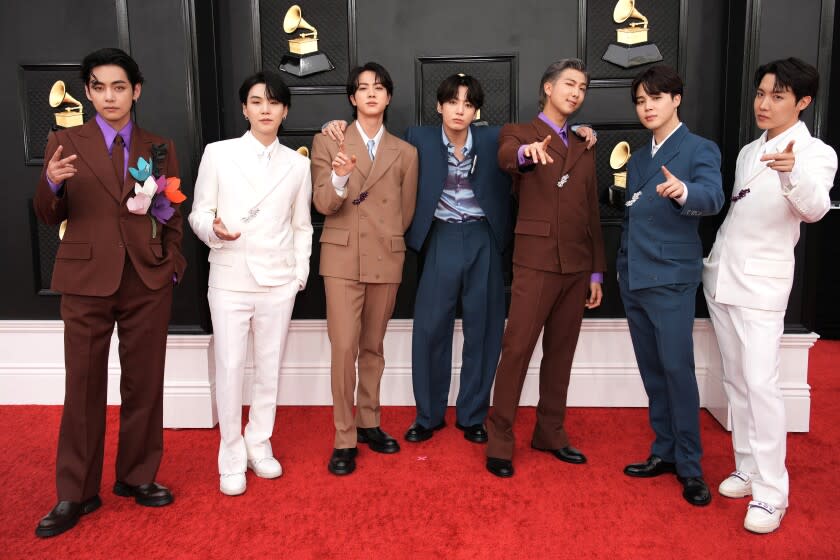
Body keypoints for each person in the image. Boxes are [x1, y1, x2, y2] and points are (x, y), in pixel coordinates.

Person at [321, 77, 596, 447]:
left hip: (484, 238)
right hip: (440, 238)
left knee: (483, 332)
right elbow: (373, 141)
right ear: (440, 107)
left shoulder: (493, 137)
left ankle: (472, 416)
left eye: (468, 104)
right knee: (431, 330)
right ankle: (428, 416)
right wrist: (332, 125)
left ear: (476, 111)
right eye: (452, 102)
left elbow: (533, 136)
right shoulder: (416, 138)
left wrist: (578, 130)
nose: (459, 110)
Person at [33, 47, 186, 537]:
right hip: (85, 282)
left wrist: (172, 265)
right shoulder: (64, 140)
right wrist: (52, 186)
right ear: (88, 91)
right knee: (82, 387)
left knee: (145, 382)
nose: (108, 96)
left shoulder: (158, 146)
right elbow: (46, 215)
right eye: (98, 87)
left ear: (135, 90)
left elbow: (171, 213)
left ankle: (138, 477)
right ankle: (75, 493)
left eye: (118, 86)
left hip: (146, 279)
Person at [703, 57, 837, 533]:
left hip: (762, 285)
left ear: (803, 102)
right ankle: (748, 467)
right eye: (761, 93)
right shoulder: (745, 151)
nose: (764, 103)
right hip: (722, 278)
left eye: (777, 96)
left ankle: (772, 493)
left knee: (762, 385)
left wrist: (791, 173)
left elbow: (816, 209)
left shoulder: (816, 153)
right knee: (736, 381)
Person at [188, 71, 312, 496]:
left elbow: (302, 225)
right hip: (230, 277)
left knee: (269, 368)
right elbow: (198, 212)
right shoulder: (218, 154)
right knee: (229, 367)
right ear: (244, 109)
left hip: (278, 281)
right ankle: (231, 455)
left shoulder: (298, 164)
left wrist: (299, 274)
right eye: (256, 101)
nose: (265, 109)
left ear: (284, 111)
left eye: (273, 102)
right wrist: (212, 230)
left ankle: (260, 443)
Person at [485, 58, 605, 478]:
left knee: (561, 353)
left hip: (576, 266)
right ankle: (499, 439)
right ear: (548, 88)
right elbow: (507, 157)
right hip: (534, 262)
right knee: (516, 349)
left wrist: (595, 273)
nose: (576, 92)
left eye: (583, 88)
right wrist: (525, 154)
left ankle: (550, 432)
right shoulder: (519, 133)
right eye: (569, 84)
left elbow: (591, 211)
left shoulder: (584, 144)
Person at [617, 65, 723, 506]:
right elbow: (630, 215)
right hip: (635, 277)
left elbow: (713, 197)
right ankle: (663, 451)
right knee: (653, 373)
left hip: (672, 279)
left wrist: (683, 192)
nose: (647, 107)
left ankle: (691, 467)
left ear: (676, 99)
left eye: (655, 98)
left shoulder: (700, 149)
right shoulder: (639, 157)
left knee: (677, 372)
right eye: (641, 101)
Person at [311, 62, 418, 476]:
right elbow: (323, 202)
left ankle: (370, 421)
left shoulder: (406, 153)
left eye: (379, 88)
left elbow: (405, 212)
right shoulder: (329, 141)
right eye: (362, 88)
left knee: (373, 346)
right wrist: (339, 180)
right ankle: (344, 436)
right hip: (341, 256)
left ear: (388, 97)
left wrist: (385, 237)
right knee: (344, 349)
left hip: (385, 254)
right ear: (352, 98)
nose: (371, 93)